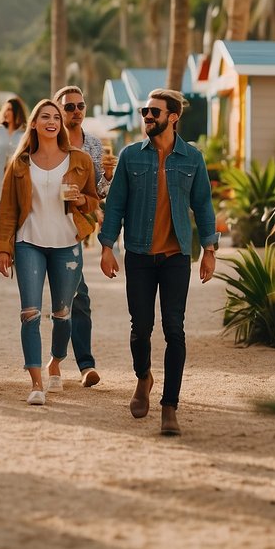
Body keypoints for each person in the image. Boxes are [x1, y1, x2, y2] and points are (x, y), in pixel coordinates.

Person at [98, 89, 218, 436]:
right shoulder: (131, 156)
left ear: (173, 116)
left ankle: (170, 406)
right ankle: (143, 377)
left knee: (175, 329)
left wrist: (209, 250)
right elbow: (116, 204)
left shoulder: (192, 158)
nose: (147, 117)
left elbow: (204, 206)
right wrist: (107, 246)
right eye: (144, 112)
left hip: (176, 256)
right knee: (140, 328)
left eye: (153, 112)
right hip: (137, 254)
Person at [0, 99, 99, 405]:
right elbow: (8, 210)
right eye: (45, 116)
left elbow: (93, 200)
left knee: (62, 315)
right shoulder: (20, 163)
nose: (52, 121)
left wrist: (81, 201)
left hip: (67, 244)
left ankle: (56, 361)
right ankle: (36, 382)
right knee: (30, 313)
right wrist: (4, 248)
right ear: (35, 124)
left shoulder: (79, 159)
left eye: (56, 116)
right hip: (29, 243)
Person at [53, 85, 109, 388]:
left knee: (78, 297)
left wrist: (107, 180)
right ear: (59, 109)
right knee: (50, 302)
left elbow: (96, 192)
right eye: (70, 106)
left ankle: (84, 365)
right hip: (43, 228)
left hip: (73, 231)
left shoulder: (94, 145)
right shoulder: (48, 139)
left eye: (80, 106)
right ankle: (52, 364)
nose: (76, 111)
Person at [0, 96, 27, 203]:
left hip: (15, 184)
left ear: (17, 112)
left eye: (9, 109)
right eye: (5, 109)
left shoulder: (24, 134)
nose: (6, 112)